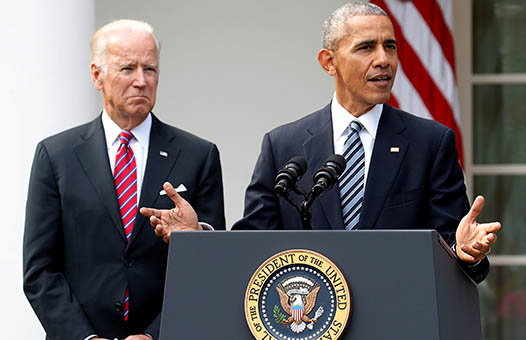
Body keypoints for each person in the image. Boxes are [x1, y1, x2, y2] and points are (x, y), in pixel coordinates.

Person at [141, 2, 500, 283]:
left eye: (390, 46)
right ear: (329, 61)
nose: (383, 60)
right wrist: (196, 236)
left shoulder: (430, 143)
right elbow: (251, 246)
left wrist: (465, 250)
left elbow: (453, 248)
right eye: (366, 48)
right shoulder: (283, 145)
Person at [23, 20, 225, 340]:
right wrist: (84, 337)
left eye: (151, 70)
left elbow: (211, 268)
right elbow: (40, 271)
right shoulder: (56, 155)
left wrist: (155, 335)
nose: (141, 81)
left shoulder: (198, 155)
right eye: (128, 68)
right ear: (96, 75)